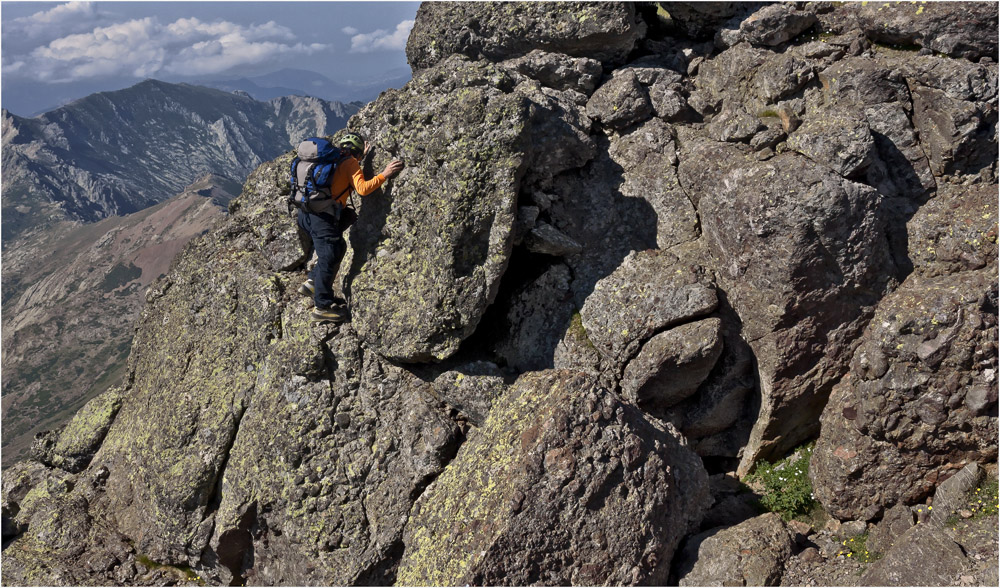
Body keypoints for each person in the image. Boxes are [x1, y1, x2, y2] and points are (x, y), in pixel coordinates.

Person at [296, 131, 404, 322]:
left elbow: (341, 176)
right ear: (359, 153)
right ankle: (322, 307)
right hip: (322, 218)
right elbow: (362, 189)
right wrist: (384, 175)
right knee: (330, 255)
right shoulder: (350, 163)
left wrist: (359, 161)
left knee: (337, 247)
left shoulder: (333, 159)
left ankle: (313, 281)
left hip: (305, 214)